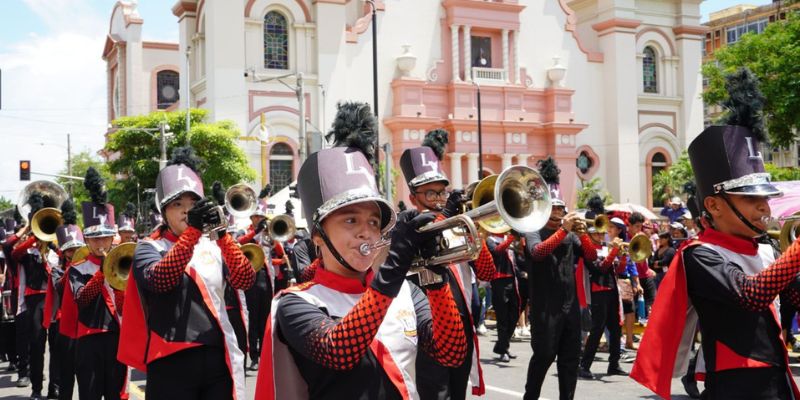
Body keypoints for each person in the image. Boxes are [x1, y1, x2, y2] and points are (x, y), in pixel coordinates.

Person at [255, 101, 467, 399]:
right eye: (350, 220)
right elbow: (340, 351)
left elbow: (451, 353)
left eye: (373, 221)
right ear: (318, 237)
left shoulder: (408, 291)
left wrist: (437, 280)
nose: (366, 231)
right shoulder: (295, 303)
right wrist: (393, 268)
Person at [632, 123, 800, 399]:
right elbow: (751, 295)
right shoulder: (699, 254)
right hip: (734, 388)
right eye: (751, 198)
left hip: (777, 382)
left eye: (765, 198)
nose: (764, 207)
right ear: (713, 206)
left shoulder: (767, 249)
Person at [118, 147, 255, 400]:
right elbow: (161, 280)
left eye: (193, 204)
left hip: (217, 357)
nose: (186, 210)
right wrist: (193, 232)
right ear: (164, 212)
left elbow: (244, 279)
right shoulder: (149, 248)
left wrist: (223, 235)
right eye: (178, 204)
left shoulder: (213, 244)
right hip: (170, 360)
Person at [399, 128, 495, 398]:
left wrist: (476, 228)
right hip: (427, 327)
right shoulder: (408, 224)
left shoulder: (455, 225)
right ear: (413, 197)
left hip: (460, 324)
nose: (439, 200)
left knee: (456, 393)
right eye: (431, 195)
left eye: (442, 193)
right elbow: (422, 239)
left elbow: (488, 271)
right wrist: (449, 214)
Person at [522, 157, 598, 400]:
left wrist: (584, 234)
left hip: (569, 307)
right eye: (554, 209)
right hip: (545, 307)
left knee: (569, 360)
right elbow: (537, 253)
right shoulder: (532, 230)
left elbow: (591, 257)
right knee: (543, 356)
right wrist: (563, 230)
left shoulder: (569, 234)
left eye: (561, 209)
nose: (558, 213)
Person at [63, 168, 127, 400]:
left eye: (105, 237)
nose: (101, 242)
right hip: (89, 340)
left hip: (116, 337)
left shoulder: (123, 262)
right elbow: (82, 299)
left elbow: (125, 305)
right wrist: (103, 271)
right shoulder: (77, 268)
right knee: (90, 394)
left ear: (112, 239)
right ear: (87, 240)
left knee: (115, 394)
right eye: (95, 238)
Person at [12, 192, 59, 400]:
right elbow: (12, 251)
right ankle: (37, 388)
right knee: (37, 345)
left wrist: (51, 243)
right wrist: (33, 234)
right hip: (35, 300)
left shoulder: (55, 249)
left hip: (55, 300)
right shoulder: (28, 251)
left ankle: (54, 387)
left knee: (57, 347)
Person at [43, 199, 83, 400]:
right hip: (62, 326)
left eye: (77, 248)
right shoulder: (58, 271)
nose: (73, 252)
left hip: (84, 326)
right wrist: (75, 266)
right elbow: (60, 287)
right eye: (69, 249)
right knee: (66, 374)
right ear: (63, 252)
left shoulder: (87, 267)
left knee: (86, 377)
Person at [578, 226, 628, 380]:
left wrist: (623, 256)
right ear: (589, 235)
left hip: (612, 290)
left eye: (601, 233)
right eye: (596, 233)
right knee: (597, 329)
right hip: (598, 291)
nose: (600, 235)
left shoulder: (607, 247)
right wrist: (614, 252)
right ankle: (584, 366)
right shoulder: (588, 250)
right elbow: (599, 268)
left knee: (616, 329)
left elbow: (618, 269)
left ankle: (614, 364)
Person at [237, 193, 274, 371]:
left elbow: (279, 248)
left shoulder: (268, 235)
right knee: (252, 319)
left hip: (265, 280)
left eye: (262, 218)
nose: (260, 220)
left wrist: (269, 234)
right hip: (250, 279)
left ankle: (265, 354)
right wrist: (255, 232)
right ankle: (253, 357)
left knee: (264, 319)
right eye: (258, 217)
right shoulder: (245, 231)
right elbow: (237, 243)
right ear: (252, 217)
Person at [486, 233, 521, 361]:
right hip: (498, 280)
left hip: (512, 279)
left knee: (514, 315)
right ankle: (503, 349)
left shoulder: (507, 239)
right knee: (502, 318)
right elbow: (497, 252)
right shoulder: (489, 239)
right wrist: (511, 239)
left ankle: (501, 346)